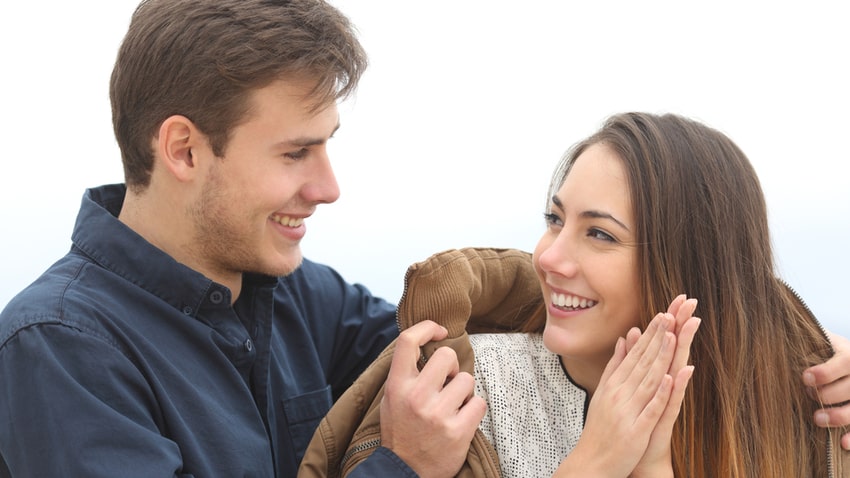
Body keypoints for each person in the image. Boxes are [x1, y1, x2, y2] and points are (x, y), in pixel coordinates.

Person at [0, 1, 485, 476]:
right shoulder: (59, 346)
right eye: (296, 153)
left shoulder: (300, 294)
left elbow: (472, 359)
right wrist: (402, 467)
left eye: (325, 144)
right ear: (184, 151)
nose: (329, 190)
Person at [300, 112, 850, 477]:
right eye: (554, 219)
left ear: (691, 267)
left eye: (600, 234)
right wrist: (595, 463)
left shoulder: (807, 415)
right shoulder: (461, 394)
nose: (549, 257)